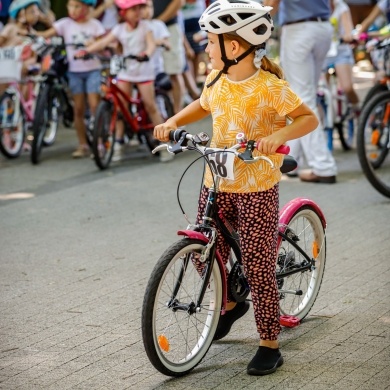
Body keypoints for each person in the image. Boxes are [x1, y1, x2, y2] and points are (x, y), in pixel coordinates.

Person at [154, 0, 319, 376]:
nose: (205, 48)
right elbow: (203, 103)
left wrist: (275, 136)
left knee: (259, 265)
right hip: (216, 180)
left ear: (234, 47)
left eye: (210, 42)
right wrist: (173, 120)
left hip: (256, 185)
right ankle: (230, 306)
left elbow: (308, 118)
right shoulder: (216, 79)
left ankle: (269, 344)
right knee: (202, 249)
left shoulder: (270, 87)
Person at [75, 0, 173, 162]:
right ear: (123, 13)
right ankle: (118, 142)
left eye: (138, 8)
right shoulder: (119, 29)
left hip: (143, 71)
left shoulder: (145, 28)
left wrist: (146, 53)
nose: (137, 12)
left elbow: (150, 45)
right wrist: (86, 51)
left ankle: (165, 144)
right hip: (126, 71)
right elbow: (103, 42)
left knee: (150, 106)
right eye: (132, 9)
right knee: (120, 108)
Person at [264, 0, 338, 183]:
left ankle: (323, 166)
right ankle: (290, 161)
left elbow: (271, 3)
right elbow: (332, 5)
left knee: (301, 99)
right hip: (323, 27)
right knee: (304, 95)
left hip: (299, 30)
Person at [40, 0, 106, 158]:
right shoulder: (65, 24)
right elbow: (45, 35)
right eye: (70, 6)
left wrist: (94, 43)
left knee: (95, 105)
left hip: (93, 70)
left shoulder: (95, 25)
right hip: (74, 72)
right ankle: (83, 144)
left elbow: (104, 45)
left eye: (77, 6)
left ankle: (100, 143)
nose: (73, 10)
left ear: (86, 7)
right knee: (78, 109)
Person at [325, 0, 360, 115]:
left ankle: (357, 110)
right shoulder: (317, 7)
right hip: (323, 53)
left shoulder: (341, 7)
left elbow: (348, 30)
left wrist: (348, 36)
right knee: (320, 90)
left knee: (347, 87)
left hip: (341, 51)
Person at [152, 0, 186, 114]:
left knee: (174, 73)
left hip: (169, 27)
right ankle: (165, 112)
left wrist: (158, 22)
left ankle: (178, 114)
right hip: (148, 30)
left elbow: (179, 2)